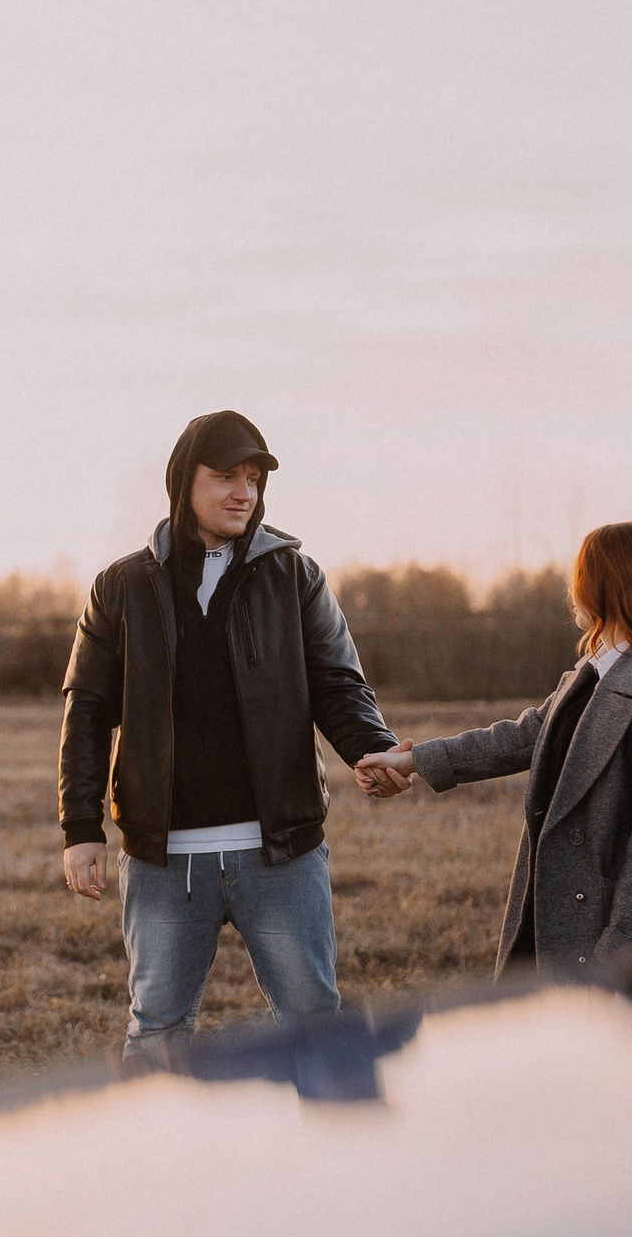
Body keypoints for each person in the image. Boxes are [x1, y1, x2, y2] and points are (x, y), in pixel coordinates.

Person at [59, 411, 401, 1055]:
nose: (243, 492)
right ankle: (161, 1157)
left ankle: (320, 1153)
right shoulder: (122, 587)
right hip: (163, 861)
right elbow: (85, 710)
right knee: (157, 1031)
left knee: (314, 1026)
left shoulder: (296, 577)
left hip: (281, 855)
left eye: (252, 478)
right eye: (225, 477)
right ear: (183, 483)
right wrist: (81, 829)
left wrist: (372, 750)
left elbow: (339, 685)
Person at [355, 520, 632, 981]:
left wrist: (619, 959)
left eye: (581, 576)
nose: (573, 590)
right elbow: (522, 737)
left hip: (609, 935)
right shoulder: (592, 672)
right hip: (554, 910)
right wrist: (414, 759)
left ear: (609, 585)